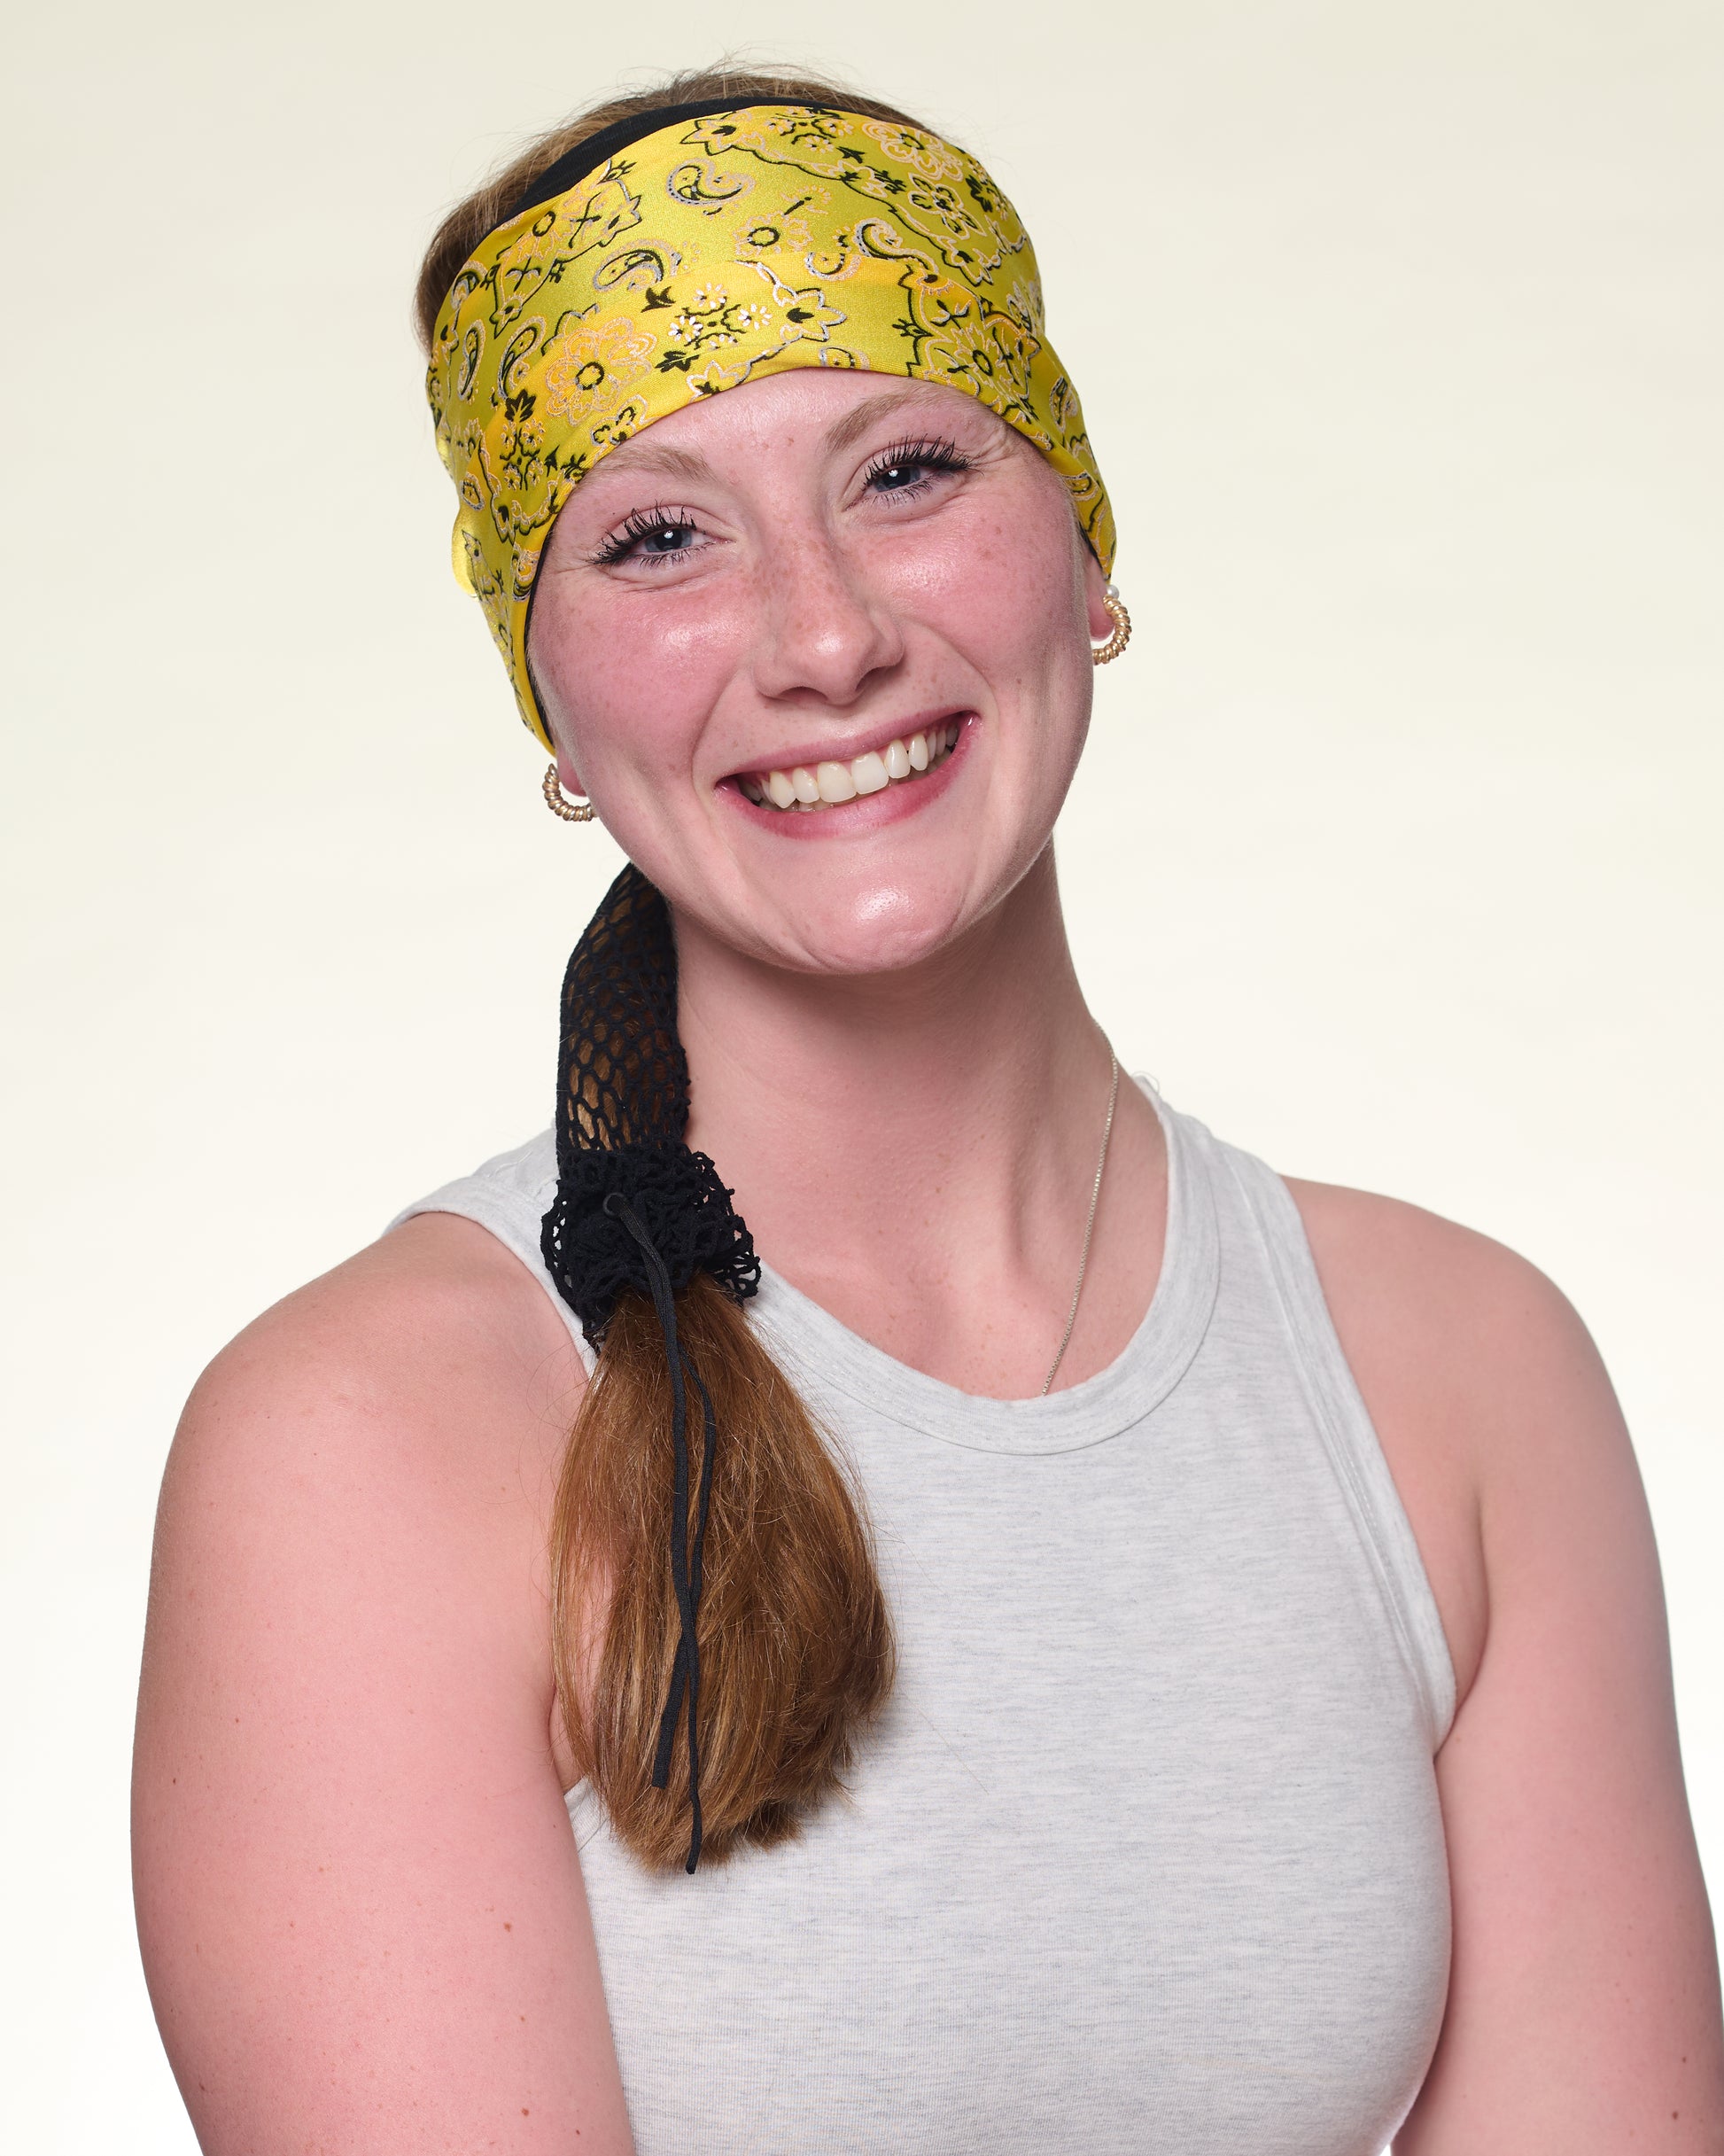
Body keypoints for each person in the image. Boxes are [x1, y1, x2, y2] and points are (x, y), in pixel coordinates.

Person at [132, 66, 1724, 2155]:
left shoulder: (1462, 1371)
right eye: (663, 533)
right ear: (554, 703)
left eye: (902, 471)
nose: (821, 635)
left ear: (1083, 544)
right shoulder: (366, 1438)